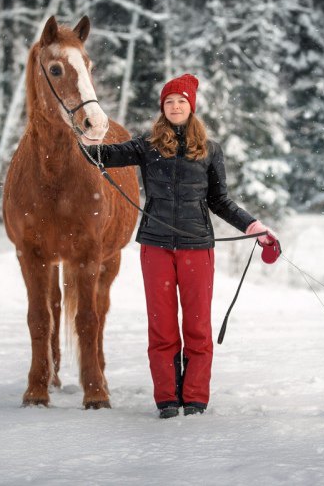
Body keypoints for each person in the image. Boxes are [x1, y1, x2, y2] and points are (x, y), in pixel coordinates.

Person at [80, 73, 276, 418]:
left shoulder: (210, 151)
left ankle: (196, 398)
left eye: (180, 101)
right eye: (169, 102)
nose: (174, 106)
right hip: (155, 247)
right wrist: (88, 137)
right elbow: (102, 157)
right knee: (162, 327)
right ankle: (167, 399)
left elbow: (221, 201)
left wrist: (253, 226)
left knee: (198, 327)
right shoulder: (146, 145)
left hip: (197, 247)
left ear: (191, 107)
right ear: (162, 108)